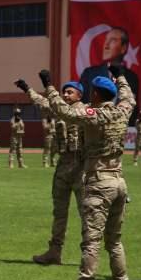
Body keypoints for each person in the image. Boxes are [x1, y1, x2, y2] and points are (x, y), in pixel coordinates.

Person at [42, 65, 135, 280]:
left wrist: (50, 88)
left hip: (99, 183)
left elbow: (65, 111)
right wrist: (122, 77)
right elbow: (129, 97)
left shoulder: (95, 114)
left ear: (94, 94)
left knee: (91, 242)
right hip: (119, 181)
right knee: (114, 242)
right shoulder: (122, 111)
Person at [16, 79, 85, 266]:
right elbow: (41, 101)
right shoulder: (59, 109)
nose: (66, 94)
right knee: (59, 212)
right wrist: (27, 89)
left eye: (70, 92)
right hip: (63, 165)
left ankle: (88, 255)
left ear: (80, 95)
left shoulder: (85, 111)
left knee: (86, 212)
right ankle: (55, 252)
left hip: (82, 166)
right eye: (64, 92)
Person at [79, 26, 140, 105]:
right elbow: (81, 104)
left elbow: (133, 108)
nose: (106, 45)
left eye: (112, 40)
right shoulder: (89, 74)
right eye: (106, 40)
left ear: (123, 48)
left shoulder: (131, 78)